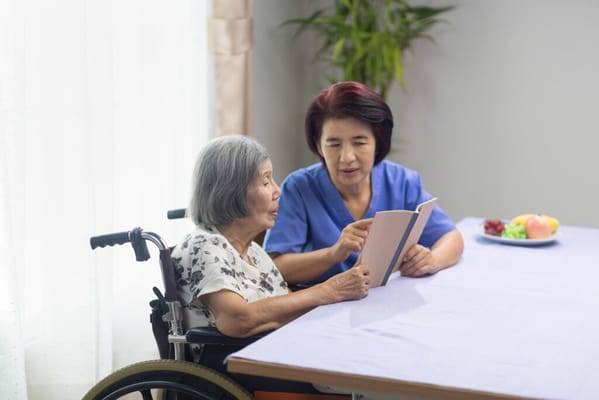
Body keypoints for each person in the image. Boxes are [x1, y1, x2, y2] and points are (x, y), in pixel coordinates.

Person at [263, 81, 464, 288]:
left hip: (384, 304)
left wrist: (431, 260)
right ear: (318, 145)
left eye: (359, 142)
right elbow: (276, 266)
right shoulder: (300, 188)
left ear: (378, 142)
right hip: (321, 309)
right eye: (334, 144)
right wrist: (333, 254)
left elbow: (451, 236)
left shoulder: (401, 181)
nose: (347, 157)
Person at [172, 134, 370, 338]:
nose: (278, 191)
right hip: (234, 360)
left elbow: (286, 306)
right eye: (266, 182)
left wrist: (342, 293)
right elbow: (237, 320)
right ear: (232, 192)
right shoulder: (204, 245)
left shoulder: (254, 252)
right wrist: (328, 290)